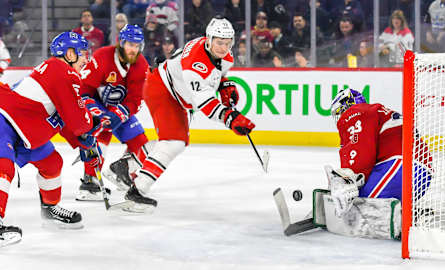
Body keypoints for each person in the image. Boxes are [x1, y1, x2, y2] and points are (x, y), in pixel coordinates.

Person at [129, 17, 256, 212]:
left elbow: (218, 73)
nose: (223, 48)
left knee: (176, 140)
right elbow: (205, 104)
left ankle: (127, 164)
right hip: (162, 89)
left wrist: (224, 84)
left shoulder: (223, 55)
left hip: (174, 91)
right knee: (173, 142)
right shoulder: (195, 65)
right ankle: (137, 190)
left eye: (227, 43)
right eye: (219, 42)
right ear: (209, 39)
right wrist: (231, 119)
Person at [0, 32, 104, 246]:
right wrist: (91, 127)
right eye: (82, 53)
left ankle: (50, 209)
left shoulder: (58, 73)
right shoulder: (63, 71)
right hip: (5, 122)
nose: (86, 58)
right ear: (69, 53)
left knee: (52, 162)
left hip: (23, 131)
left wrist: (82, 142)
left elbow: (64, 120)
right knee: (4, 168)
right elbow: (78, 122)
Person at [307, 89, 432, 240]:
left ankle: (401, 219)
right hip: (417, 169)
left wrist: (348, 178)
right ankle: (407, 213)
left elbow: (361, 150)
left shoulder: (356, 112)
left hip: (403, 165)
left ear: (346, 106)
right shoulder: (374, 113)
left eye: (339, 112)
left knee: (357, 201)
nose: (340, 118)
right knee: (356, 195)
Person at [77, 24, 151, 201]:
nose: (133, 49)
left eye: (137, 45)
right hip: (96, 102)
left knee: (141, 145)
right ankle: (90, 183)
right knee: (101, 134)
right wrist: (96, 113)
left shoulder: (141, 65)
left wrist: (118, 114)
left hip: (119, 107)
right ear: (121, 43)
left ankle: (122, 173)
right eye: (130, 44)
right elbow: (84, 90)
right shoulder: (103, 56)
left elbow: (135, 100)